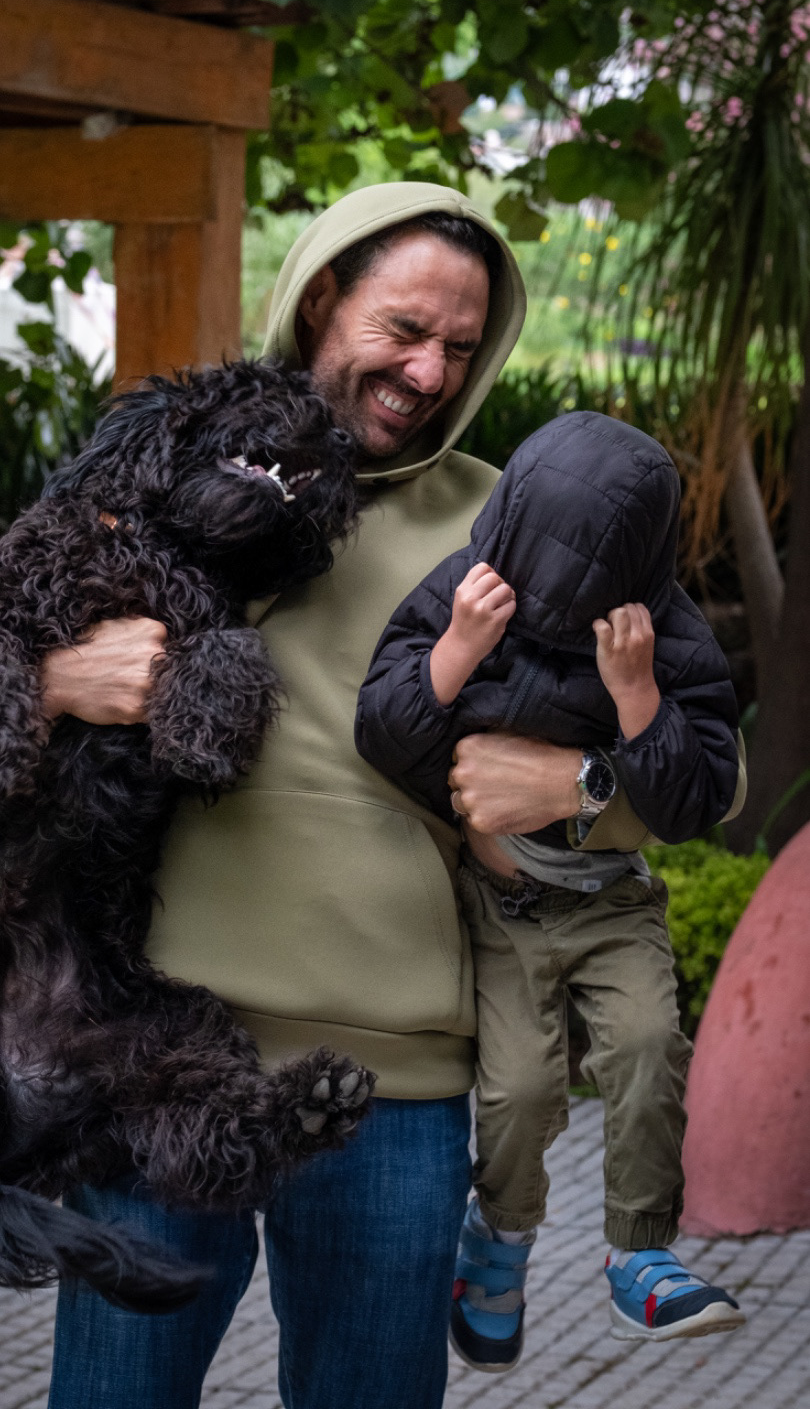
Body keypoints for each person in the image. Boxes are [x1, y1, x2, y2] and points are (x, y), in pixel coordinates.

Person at [36, 184, 745, 1409]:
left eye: (461, 347)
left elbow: (704, 774)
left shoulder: (522, 515)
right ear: (318, 297)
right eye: (403, 330)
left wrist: (576, 783)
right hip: (150, 1054)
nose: (428, 371)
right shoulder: (164, 472)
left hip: (393, 1092)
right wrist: (54, 677)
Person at [355, 411, 747, 1372]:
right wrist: (457, 646)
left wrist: (636, 695)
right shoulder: (465, 588)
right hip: (502, 909)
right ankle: (500, 1241)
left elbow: (697, 794)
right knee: (523, 1090)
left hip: (612, 901)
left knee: (651, 1044)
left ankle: (643, 1255)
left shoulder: (658, 634)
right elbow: (384, 733)